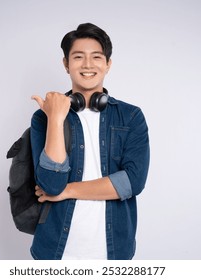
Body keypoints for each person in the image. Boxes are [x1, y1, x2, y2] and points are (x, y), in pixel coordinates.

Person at [29, 23, 150, 260]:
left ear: (107, 64)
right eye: (78, 57)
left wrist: (68, 191)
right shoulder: (44, 117)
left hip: (113, 250)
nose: (87, 64)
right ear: (66, 64)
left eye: (96, 57)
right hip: (55, 251)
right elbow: (51, 185)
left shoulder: (131, 116)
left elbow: (132, 182)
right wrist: (55, 118)